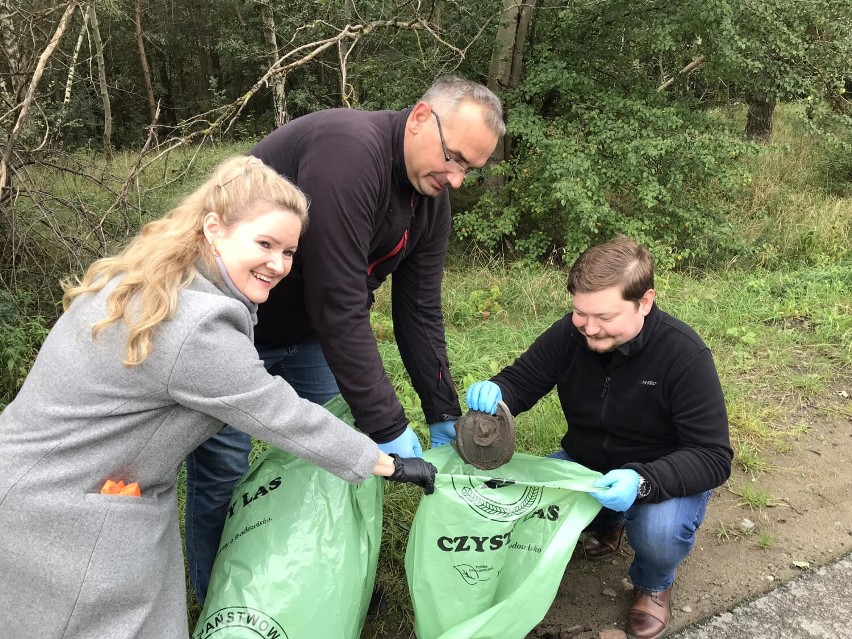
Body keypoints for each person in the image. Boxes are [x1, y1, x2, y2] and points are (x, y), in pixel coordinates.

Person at [0, 156, 435, 639]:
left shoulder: (157, 280)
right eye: (265, 243)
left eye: (289, 251)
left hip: (50, 483)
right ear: (214, 229)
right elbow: (280, 414)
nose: (278, 263)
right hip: (62, 513)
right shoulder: (196, 324)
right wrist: (387, 463)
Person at [185, 76, 504, 602]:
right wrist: (389, 426)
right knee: (225, 469)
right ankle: (225, 601)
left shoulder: (430, 201)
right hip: (230, 328)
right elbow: (338, 301)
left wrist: (442, 413)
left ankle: (323, 578)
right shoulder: (349, 151)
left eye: (470, 168)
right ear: (422, 117)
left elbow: (419, 310)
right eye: (454, 158)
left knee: (331, 461)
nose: (457, 179)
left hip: (309, 335)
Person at [466, 236, 731, 639]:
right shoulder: (570, 335)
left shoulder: (684, 355)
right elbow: (522, 380)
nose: (589, 328)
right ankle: (608, 523)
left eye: (604, 316)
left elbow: (713, 456)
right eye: (579, 313)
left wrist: (643, 481)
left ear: (645, 301)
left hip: (659, 473)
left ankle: (653, 583)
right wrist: (498, 393)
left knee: (659, 534)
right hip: (585, 461)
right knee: (512, 499)